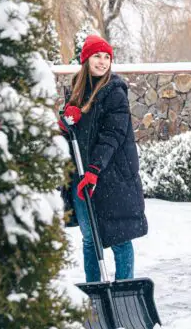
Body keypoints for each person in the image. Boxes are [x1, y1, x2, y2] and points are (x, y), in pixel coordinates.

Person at [59, 34, 148, 283]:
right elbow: (72, 136)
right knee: (90, 239)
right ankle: (95, 291)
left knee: (119, 238)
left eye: (107, 57)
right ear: (85, 59)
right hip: (81, 176)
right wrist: (65, 123)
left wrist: (94, 169)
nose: (102, 62)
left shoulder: (114, 92)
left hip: (111, 177)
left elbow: (113, 134)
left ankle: (124, 288)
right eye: (97, 56)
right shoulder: (76, 92)